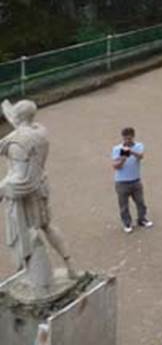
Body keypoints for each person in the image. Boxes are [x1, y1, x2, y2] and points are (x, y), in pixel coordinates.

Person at [0, 99, 76, 296]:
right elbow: (21, 127)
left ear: (17, 117)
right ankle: (70, 265)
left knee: (30, 233)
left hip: (28, 193)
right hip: (42, 186)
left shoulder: (17, 143)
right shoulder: (40, 132)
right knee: (47, 226)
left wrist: (2, 189)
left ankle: (42, 281)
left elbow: (22, 178)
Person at [112, 127, 153, 233]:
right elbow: (115, 166)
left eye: (129, 139)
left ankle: (142, 219)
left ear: (133, 137)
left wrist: (132, 152)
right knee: (124, 205)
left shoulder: (139, 146)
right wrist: (122, 159)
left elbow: (141, 157)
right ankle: (127, 223)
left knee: (140, 202)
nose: (127, 141)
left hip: (135, 180)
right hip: (121, 182)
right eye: (125, 139)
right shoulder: (117, 149)